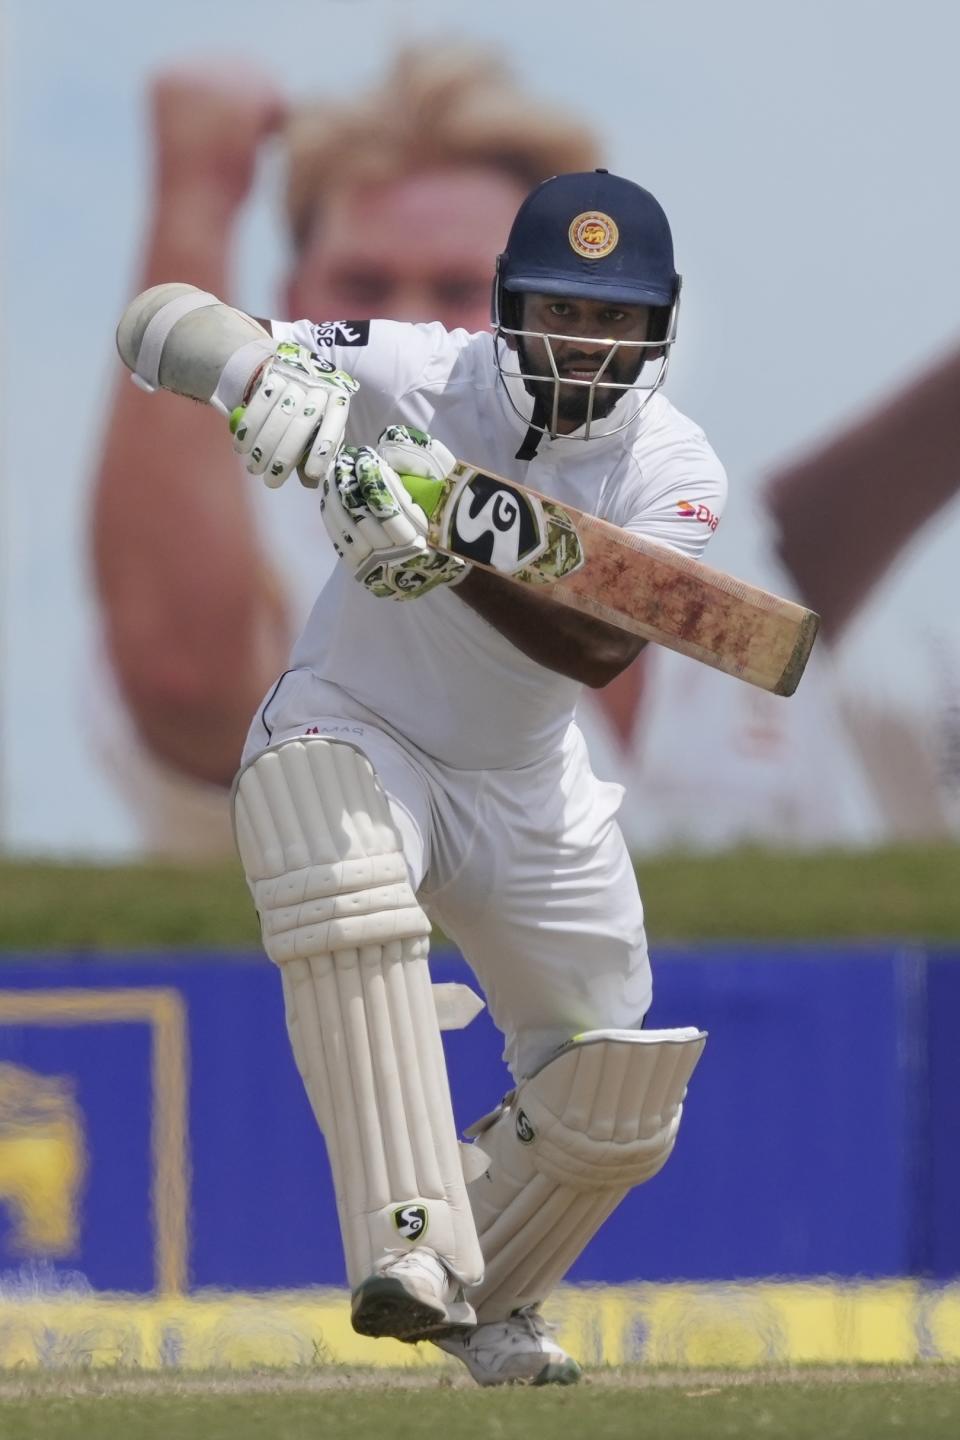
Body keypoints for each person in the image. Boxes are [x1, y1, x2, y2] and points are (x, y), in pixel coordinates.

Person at [120, 168, 720, 1384]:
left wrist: (446, 534)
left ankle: (488, 1305)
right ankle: (409, 1241)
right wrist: (261, 372)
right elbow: (157, 324)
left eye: (612, 319)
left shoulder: (672, 465)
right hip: (363, 726)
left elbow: (603, 642)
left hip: (527, 783)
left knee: (614, 1095)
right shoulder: (424, 374)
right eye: (562, 309)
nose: (584, 342)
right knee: (329, 853)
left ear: (655, 329)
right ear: (509, 308)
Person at [91, 48, 601, 854]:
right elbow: (182, 674)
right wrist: (199, 193)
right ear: (293, 308)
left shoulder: (649, 506)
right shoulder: (255, 549)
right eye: (361, 288)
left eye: (461, 289)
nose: (401, 330)